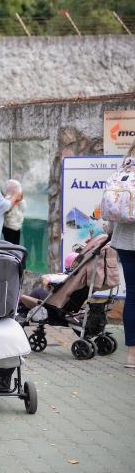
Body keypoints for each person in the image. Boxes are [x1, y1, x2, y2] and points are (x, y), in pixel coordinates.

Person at [107, 148, 135, 368]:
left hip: (125, 241)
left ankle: (132, 355)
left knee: (133, 295)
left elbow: (112, 212)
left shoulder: (123, 172)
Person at [2, 179, 26, 245]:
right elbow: (6, 209)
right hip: (8, 227)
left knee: (16, 245)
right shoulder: (7, 199)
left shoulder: (20, 200)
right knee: (10, 245)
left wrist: (20, 200)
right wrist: (15, 200)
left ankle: (15, 254)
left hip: (17, 226)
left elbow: (23, 209)